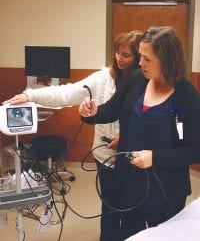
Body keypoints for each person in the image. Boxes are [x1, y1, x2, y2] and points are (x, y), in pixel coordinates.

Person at [3, 30, 143, 241]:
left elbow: (151, 123)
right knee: (110, 208)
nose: (119, 59)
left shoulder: (147, 81)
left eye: (126, 55)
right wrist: (29, 95)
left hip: (135, 159)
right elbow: (67, 93)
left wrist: (128, 140)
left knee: (133, 210)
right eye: (117, 53)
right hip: (105, 157)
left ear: (139, 57)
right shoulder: (104, 77)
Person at [79, 26, 200, 240]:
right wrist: (92, 113)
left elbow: (195, 150)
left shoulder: (186, 95)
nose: (140, 63)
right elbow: (112, 109)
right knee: (130, 234)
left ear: (167, 60)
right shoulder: (136, 79)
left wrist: (155, 157)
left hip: (166, 190)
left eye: (147, 59)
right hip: (129, 185)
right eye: (141, 57)